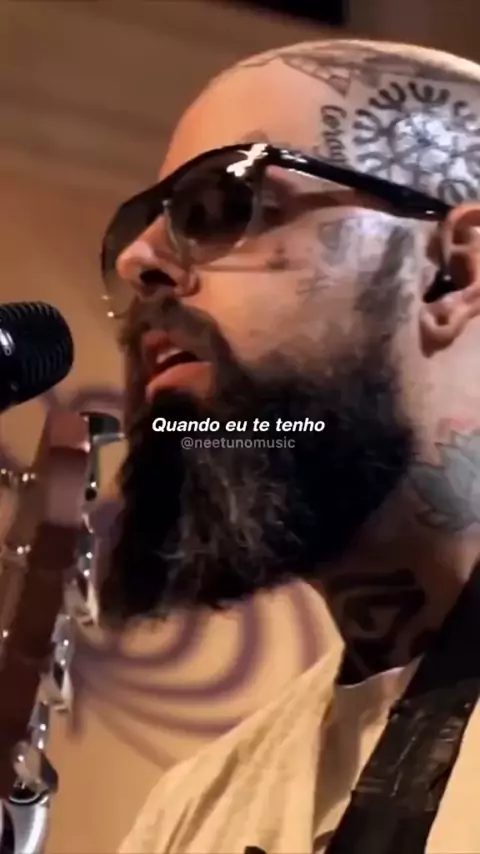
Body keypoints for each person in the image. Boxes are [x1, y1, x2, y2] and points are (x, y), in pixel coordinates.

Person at [99, 36, 480, 854]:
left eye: (220, 204)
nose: (138, 262)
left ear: (454, 273)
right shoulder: (192, 812)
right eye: (140, 227)